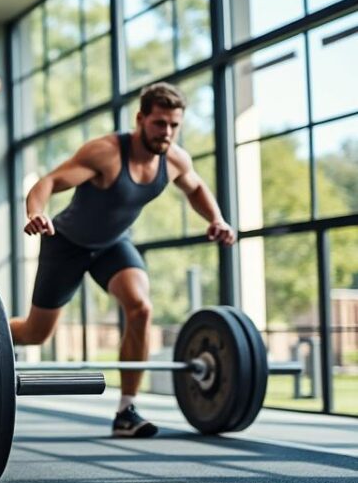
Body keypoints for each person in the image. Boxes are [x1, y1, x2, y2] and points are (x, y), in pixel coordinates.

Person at [13, 82, 236, 438]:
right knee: (35, 333)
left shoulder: (175, 159)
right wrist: (34, 212)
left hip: (113, 245)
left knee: (141, 308)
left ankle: (126, 410)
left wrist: (217, 219)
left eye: (174, 125)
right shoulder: (106, 153)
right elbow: (51, 181)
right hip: (66, 243)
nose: (167, 133)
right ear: (141, 118)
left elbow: (195, 188)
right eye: (159, 123)